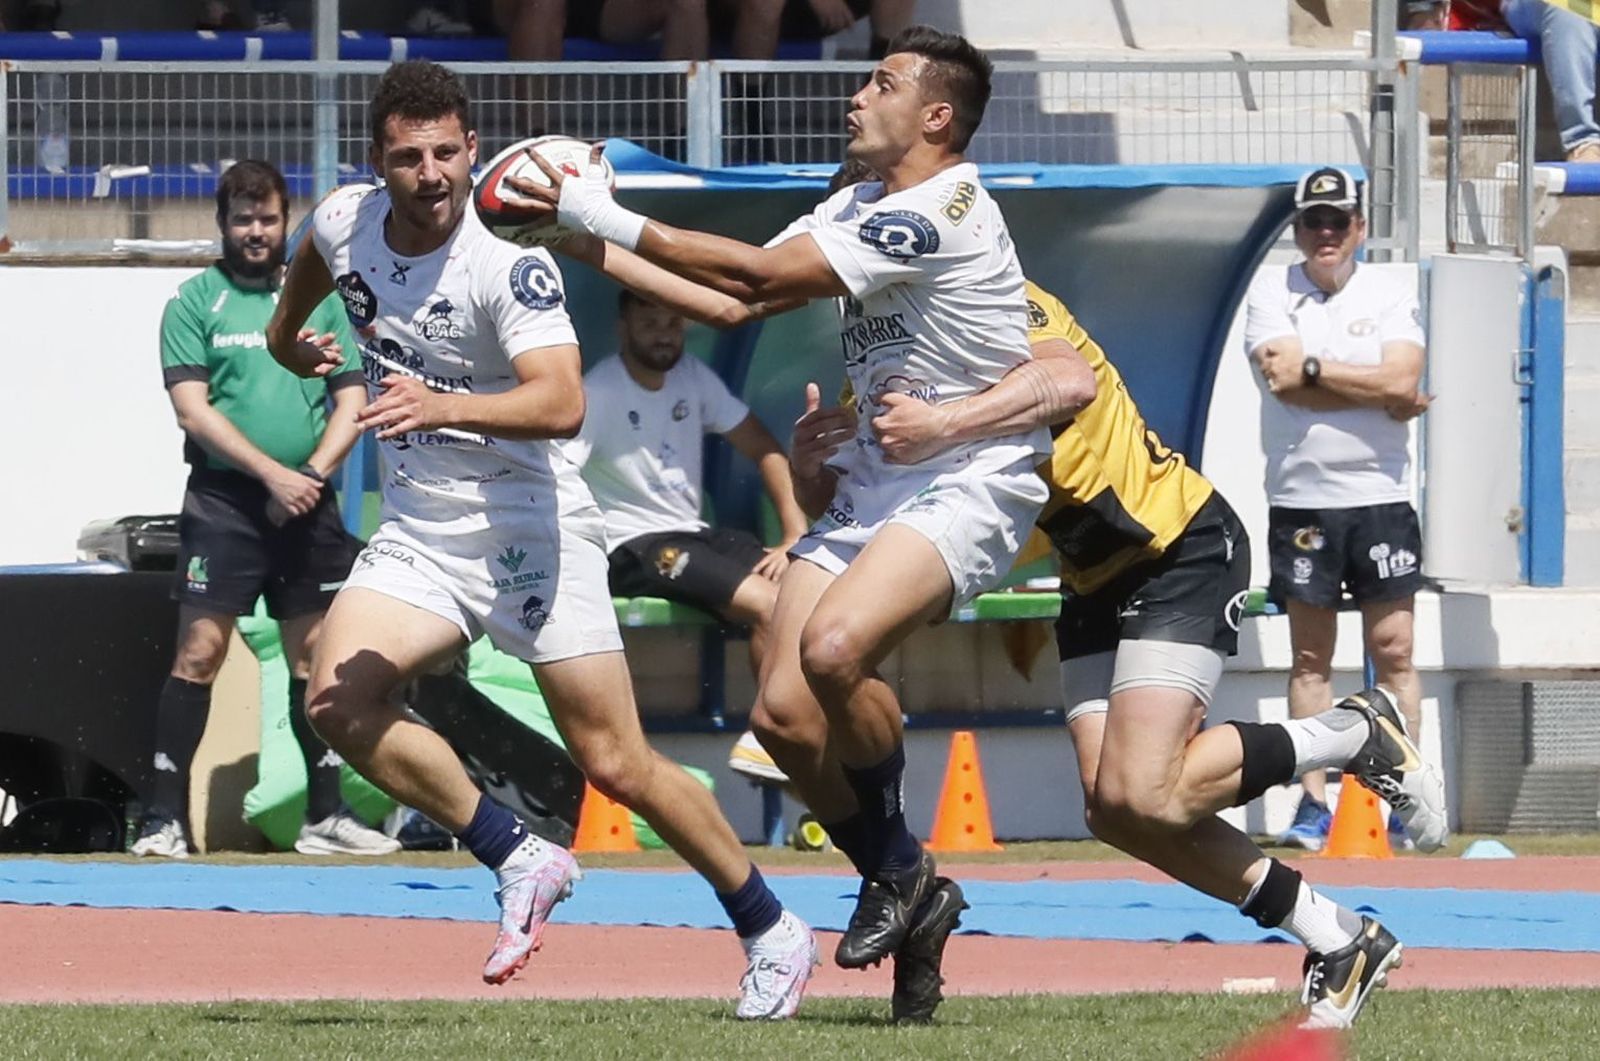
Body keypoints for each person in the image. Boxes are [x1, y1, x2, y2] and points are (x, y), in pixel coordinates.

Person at [263, 59, 815, 1019]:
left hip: (534, 526)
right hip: (424, 528)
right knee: (336, 698)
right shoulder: (345, 219)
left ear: (473, 151)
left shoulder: (506, 260)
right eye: (407, 157)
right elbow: (308, 265)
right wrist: (285, 342)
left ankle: (771, 923)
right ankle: (517, 852)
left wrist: (443, 403)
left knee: (618, 762)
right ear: (376, 161)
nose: (429, 173)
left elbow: (561, 404)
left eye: (445, 153)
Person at [514, 22, 1050, 1002]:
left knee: (836, 648)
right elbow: (730, 306)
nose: (856, 95)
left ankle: (893, 867)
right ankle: (911, 884)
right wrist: (583, 243)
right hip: (876, 473)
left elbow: (757, 279)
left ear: (935, 116)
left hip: (974, 470)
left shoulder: (944, 206)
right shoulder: (854, 201)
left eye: (880, 82)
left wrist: (605, 210)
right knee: (785, 716)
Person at [823, 271, 1449, 1029]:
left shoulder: (987, 294)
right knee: (1117, 810)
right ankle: (1340, 936)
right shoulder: (895, 359)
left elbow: (1069, 380)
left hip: (1178, 546)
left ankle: (1352, 732)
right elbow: (865, 492)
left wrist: (942, 424)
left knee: (1149, 790)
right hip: (1091, 576)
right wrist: (818, 459)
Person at [135, 159, 398, 859]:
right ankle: (164, 819)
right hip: (225, 503)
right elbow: (193, 410)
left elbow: (352, 399)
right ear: (223, 224)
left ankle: (325, 814)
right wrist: (272, 474)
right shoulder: (194, 302)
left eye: (269, 218)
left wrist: (310, 474)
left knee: (314, 655)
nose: (257, 231)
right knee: (200, 652)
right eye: (243, 219)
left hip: (308, 501)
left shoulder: (320, 297)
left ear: (289, 222)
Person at [1244, 167, 1433, 853]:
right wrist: (1376, 391)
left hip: (1380, 497)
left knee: (1395, 651)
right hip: (1302, 499)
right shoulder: (1272, 289)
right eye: (1312, 222)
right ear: (1297, 232)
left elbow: (1404, 378)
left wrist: (1319, 371)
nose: (1325, 233)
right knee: (1309, 658)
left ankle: (1410, 802)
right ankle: (1313, 803)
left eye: (1336, 220)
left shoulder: (1388, 289)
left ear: (1358, 227)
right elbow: (1285, 381)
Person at [563, 288, 809, 718]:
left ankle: (796, 730)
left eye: (673, 324)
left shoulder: (692, 377)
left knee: (802, 592)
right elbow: (557, 477)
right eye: (650, 324)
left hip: (692, 537)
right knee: (770, 605)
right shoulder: (599, 392)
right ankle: (774, 731)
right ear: (623, 329)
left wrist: (794, 533)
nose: (664, 336)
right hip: (632, 547)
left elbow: (763, 447)